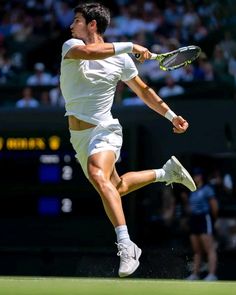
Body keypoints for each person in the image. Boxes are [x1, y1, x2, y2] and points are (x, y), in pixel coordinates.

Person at [60, 2, 196, 278]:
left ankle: (127, 245)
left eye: (76, 20)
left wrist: (171, 116)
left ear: (92, 24)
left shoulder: (121, 61)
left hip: (105, 130)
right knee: (116, 188)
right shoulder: (71, 46)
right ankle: (165, 172)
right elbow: (89, 52)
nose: (71, 25)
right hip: (80, 138)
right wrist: (131, 46)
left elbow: (145, 93)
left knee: (99, 176)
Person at [182, 168, 218, 281]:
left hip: (204, 218)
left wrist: (213, 220)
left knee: (209, 248)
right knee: (197, 250)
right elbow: (189, 209)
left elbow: (214, 207)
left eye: (197, 175)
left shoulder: (207, 189)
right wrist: (185, 201)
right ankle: (195, 274)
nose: (195, 177)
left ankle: (212, 274)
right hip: (194, 219)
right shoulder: (192, 190)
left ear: (201, 176)